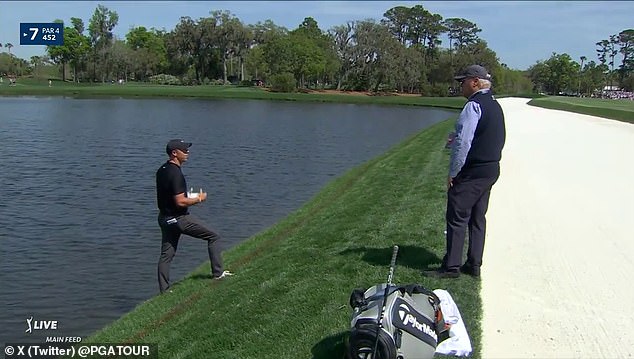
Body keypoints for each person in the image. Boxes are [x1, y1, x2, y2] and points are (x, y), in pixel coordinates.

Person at [424, 65, 506, 279]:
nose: (461, 85)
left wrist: (454, 173)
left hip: (473, 171)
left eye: (463, 81)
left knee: (457, 215)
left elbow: (464, 142)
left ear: (475, 82)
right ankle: (474, 264)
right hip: (490, 169)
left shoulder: (474, 106)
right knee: (478, 217)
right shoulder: (495, 105)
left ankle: (451, 267)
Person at [156, 139, 232, 293]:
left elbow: (170, 195)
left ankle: (164, 290)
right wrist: (199, 199)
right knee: (214, 236)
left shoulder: (162, 170)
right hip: (179, 219)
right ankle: (218, 274)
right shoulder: (176, 173)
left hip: (164, 219)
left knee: (166, 255)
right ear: (174, 153)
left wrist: (188, 195)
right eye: (184, 150)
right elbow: (180, 201)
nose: (187, 152)